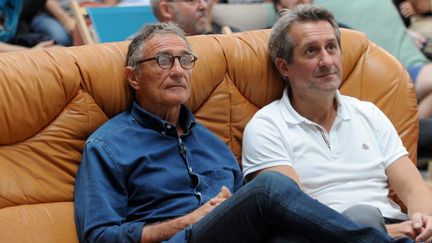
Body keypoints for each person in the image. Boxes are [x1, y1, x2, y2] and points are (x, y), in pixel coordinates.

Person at [73, 22, 416, 243]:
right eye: (163, 60)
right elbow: (100, 237)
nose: (177, 71)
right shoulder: (108, 146)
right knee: (271, 187)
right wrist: (183, 223)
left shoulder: (211, 143)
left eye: (185, 60)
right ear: (134, 78)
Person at [242, 4, 432, 243]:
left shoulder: (368, 113)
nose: (326, 60)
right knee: (362, 216)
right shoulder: (266, 127)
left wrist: (421, 223)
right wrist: (382, 233)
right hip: (325, 235)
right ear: (284, 66)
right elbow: (293, 214)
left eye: (331, 47)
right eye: (311, 51)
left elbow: (414, 189)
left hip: (397, 229)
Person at [150, 0, 237, 35]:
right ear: (167, 10)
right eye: (191, 0)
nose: (203, 6)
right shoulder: (151, 51)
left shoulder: (233, 35)